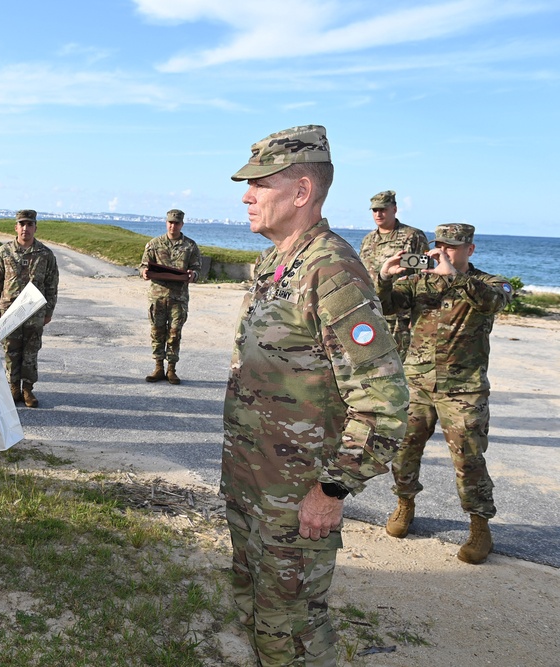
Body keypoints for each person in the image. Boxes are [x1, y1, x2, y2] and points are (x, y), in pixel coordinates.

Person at [221, 125, 409, 666]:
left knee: (292, 635)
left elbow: (384, 400)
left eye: (260, 183)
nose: (246, 195)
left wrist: (331, 489)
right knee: (257, 614)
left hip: (297, 497)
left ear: (301, 192)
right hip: (254, 486)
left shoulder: (333, 270)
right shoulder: (280, 262)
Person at [377, 223, 512, 565]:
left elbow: (493, 302)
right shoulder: (420, 280)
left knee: (468, 459)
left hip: (463, 389)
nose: (445, 252)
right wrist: (383, 277)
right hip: (418, 383)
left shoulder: (488, 283)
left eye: (453, 247)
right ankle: (405, 504)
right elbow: (384, 306)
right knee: (404, 450)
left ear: (471, 249)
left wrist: (454, 276)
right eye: (440, 246)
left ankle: (480, 526)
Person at [0, 210, 59, 408]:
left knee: (31, 351)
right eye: (22, 224)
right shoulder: (3, 252)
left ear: (35, 228)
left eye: (29, 225)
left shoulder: (45, 254)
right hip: (9, 310)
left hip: (34, 311)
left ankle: (28, 389)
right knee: (11, 350)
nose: (25, 228)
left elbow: (51, 284)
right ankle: (13, 388)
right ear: (16, 227)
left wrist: (49, 311)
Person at [358, 190, 429, 357]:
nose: (378, 214)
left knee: (399, 362)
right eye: (375, 210)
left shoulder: (412, 237)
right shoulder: (368, 240)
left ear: (394, 209)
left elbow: (424, 277)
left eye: (383, 209)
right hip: (373, 312)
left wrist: (419, 314)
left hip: (400, 316)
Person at [139, 208, 202, 384]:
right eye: (170, 222)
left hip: (178, 297)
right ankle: (158, 367)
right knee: (157, 331)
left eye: (176, 223)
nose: (173, 226)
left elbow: (197, 269)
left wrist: (192, 275)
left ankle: (171, 369)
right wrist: (144, 272)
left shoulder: (190, 246)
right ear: (166, 223)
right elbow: (143, 265)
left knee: (174, 333)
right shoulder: (154, 244)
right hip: (157, 296)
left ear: (182, 224)